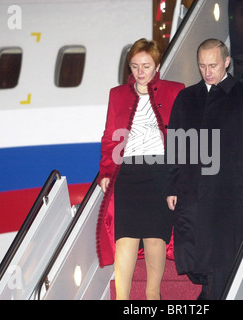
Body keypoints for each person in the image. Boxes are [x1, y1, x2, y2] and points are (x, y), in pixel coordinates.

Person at [166, 39, 243, 300]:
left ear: (227, 62)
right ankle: (209, 290)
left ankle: (212, 294)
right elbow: (175, 144)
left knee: (221, 256)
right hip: (191, 188)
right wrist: (172, 186)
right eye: (202, 66)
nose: (207, 71)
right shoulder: (187, 97)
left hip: (229, 189)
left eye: (213, 65)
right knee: (192, 250)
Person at [96, 38, 185, 300]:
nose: (140, 72)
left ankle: (152, 295)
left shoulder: (175, 90)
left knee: (156, 237)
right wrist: (105, 172)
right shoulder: (117, 94)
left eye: (146, 66)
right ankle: (122, 299)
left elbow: (182, 137)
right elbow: (110, 136)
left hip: (161, 171)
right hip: (128, 173)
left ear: (157, 66)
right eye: (135, 66)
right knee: (125, 237)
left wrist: (178, 179)